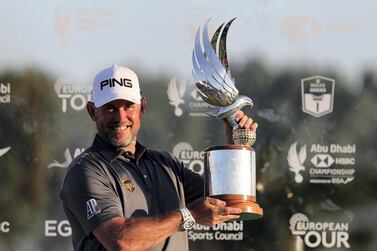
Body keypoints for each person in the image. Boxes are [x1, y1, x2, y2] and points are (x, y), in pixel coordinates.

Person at [60, 64, 258, 251]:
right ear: (92, 111)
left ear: (142, 107)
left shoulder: (166, 164)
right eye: (110, 107)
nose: (120, 117)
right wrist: (189, 215)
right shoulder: (86, 170)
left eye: (128, 106)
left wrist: (237, 147)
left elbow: (230, 201)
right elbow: (120, 241)